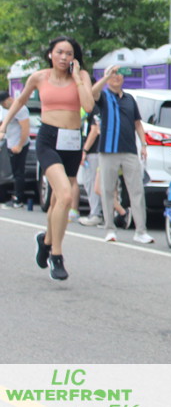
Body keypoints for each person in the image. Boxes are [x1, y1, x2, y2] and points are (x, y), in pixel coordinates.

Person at [0, 37, 95, 281]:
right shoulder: (39, 77)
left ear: (74, 57)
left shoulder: (81, 76)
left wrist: (77, 77)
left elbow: (88, 106)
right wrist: (4, 125)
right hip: (48, 139)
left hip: (72, 140)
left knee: (57, 200)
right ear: (50, 54)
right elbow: (20, 100)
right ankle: (56, 254)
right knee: (66, 195)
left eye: (69, 53)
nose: (64, 57)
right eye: (59, 52)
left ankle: (46, 240)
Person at [91, 65, 153, 244]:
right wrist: (105, 77)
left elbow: (137, 123)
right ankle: (110, 229)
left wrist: (143, 144)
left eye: (119, 74)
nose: (116, 77)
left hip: (129, 150)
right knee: (107, 190)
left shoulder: (129, 99)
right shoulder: (104, 96)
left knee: (137, 190)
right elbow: (92, 93)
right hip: (108, 150)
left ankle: (141, 231)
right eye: (113, 74)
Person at [0, 91, 30, 208]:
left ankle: (18, 199)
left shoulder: (20, 109)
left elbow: (25, 129)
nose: (3, 106)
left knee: (18, 173)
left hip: (19, 145)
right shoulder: (9, 110)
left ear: (8, 100)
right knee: (14, 172)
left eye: (3, 104)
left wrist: (20, 145)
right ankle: (16, 196)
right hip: (11, 144)